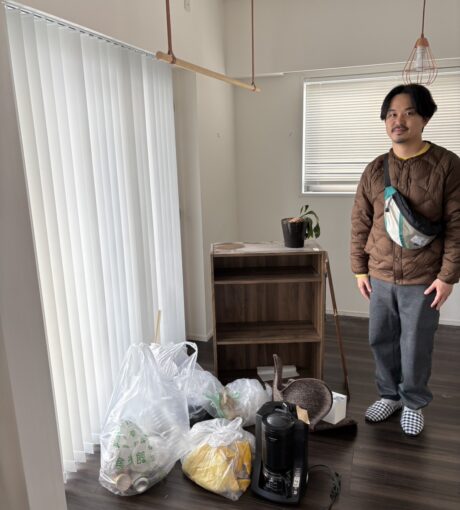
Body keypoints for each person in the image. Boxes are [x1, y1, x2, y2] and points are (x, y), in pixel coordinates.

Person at [350, 83, 460, 436]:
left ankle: (412, 401)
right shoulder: (375, 169)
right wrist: (359, 269)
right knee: (380, 338)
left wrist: (447, 276)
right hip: (380, 273)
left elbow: (457, 225)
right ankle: (389, 395)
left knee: (415, 344)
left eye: (408, 113)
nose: (398, 120)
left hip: (424, 277)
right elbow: (360, 222)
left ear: (424, 118)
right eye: (392, 114)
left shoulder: (447, 165)